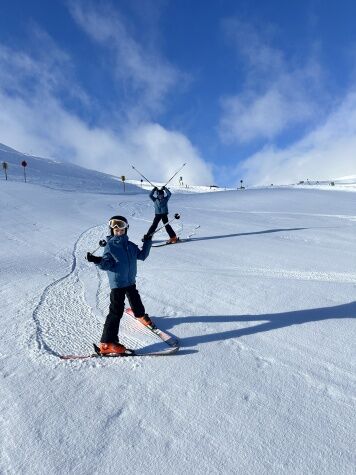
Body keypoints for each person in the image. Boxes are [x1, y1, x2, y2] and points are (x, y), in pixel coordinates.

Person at [86, 215, 154, 356]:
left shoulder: (130, 245)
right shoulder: (110, 246)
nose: (118, 231)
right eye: (115, 229)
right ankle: (106, 343)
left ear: (126, 229)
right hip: (117, 284)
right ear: (112, 230)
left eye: (121, 228)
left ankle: (140, 315)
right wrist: (97, 260)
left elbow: (142, 256)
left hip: (129, 280)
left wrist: (147, 242)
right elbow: (107, 264)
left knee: (135, 298)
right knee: (116, 311)